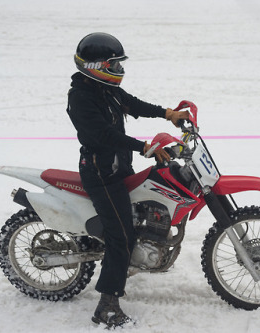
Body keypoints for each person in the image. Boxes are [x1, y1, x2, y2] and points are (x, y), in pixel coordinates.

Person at [66, 32, 189, 327]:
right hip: (101, 173)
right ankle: (106, 305)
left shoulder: (105, 89)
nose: (119, 70)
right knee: (120, 236)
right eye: (114, 64)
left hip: (118, 167)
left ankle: (136, 256)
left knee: (138, 214)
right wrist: (143, 147)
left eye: (119, 64)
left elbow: (132, 104)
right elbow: (104, 135)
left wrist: (167, 114)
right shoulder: (81, 97)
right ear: (95, 66)